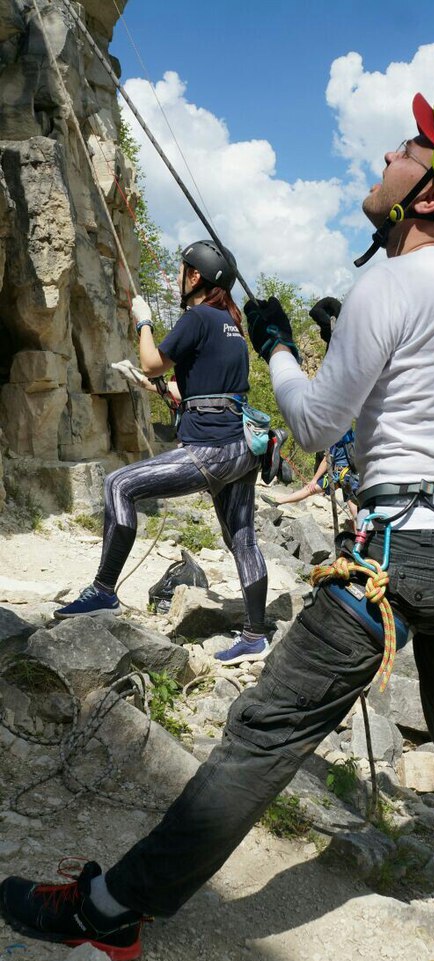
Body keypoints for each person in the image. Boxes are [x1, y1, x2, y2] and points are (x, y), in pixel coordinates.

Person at [0, 93, 434, 961]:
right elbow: (416, 409)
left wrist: (284, 347)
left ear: (430, 197)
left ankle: (111, 911)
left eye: (412, 147)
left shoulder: (394, 285)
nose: (388, 150)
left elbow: (312, 422)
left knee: (264, 731)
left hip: (396, 555)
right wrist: (334, 342)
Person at [53, 240, 270, 666]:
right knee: (241, 536)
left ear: (196, 277)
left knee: (119, 484)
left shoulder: (198, 317)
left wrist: (143, 322)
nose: (177, 277)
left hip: (212, 449)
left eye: (182, 269)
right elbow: (195, 392)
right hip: (242, 449)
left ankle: (102, 592)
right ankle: (255, 634)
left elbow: (153, 361)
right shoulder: (230, 325)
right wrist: (147, 385)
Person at [261, 427, 359, 526]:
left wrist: (314, 480)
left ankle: (277, 501)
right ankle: (361, 537)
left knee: (309, 489)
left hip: (339, 474)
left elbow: (327, 461)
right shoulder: (349, 432)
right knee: (354, 511)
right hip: (350, 474)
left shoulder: (334, 435)